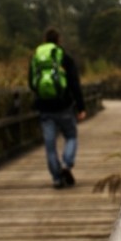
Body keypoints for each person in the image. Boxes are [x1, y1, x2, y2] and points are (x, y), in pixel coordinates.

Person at [28, 27, 86, 189]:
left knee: (50, 144)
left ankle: (56, 177)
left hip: (44, 107)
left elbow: (31, 83)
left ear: (45, 40)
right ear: (58, 40)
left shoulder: (37, 57)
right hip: (64, 105)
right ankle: (66, 165)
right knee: (71, 136)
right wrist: (81, 107)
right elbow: (74, 83)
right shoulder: (64, 57)